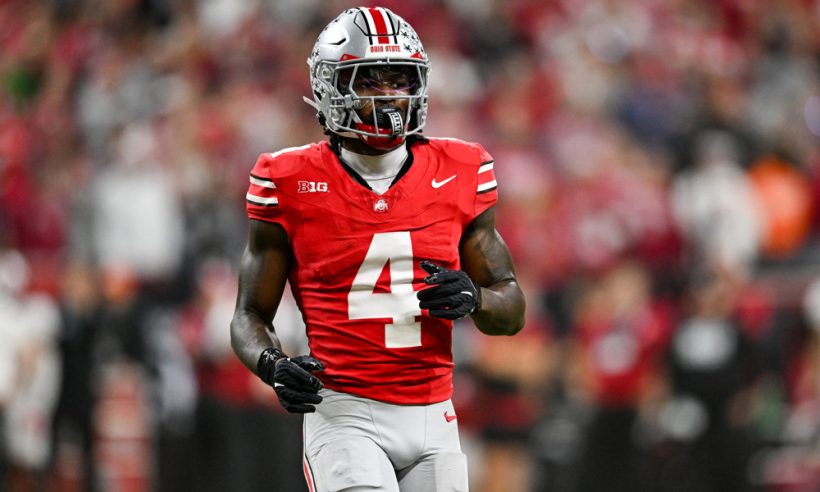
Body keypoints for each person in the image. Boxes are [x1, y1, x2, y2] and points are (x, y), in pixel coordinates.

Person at [230, 7, 525, 492]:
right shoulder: (287, 180)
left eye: (400, 80)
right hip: (345, 410)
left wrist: (476, 298)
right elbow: (249, 313)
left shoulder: (462, 169)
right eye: (370, 81)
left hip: (435, 415)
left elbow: (511, 309)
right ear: (330, 86)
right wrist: (272, 364)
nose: (389, 96)